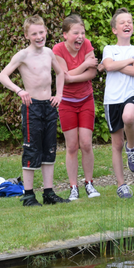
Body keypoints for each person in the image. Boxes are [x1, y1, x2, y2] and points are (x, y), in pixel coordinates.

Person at [0, 15, 69, 206]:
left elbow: (60, 72)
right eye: (34, 33)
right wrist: (19, 90)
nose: (39, 36)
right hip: (32, 107)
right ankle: (28, 195)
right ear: (27, 35)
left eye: (41, 32)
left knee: (49, 150)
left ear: (46, 31)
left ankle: (48, 193)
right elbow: (2, 75)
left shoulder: (48, 53)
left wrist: (59, 95)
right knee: (31, 149)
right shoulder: (23, 55)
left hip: (50, 106)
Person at [53, 14, 100, 200]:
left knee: (86, 143)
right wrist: (84, 65)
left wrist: (72, 76)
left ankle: (89, 184)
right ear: (65, 34)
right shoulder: (57, 49)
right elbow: (63, 77)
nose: (80, 36)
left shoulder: (87, 45)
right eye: (75, 33)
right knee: (72, 146)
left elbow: (93, 73)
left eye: (83, 32)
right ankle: (74, 187)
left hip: (86, 100)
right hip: (66, 103)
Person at [100, 8, 134, 199]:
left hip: (131, 93)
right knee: (116, 144)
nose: (127, 24)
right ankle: (121, 185)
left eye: (130, 21)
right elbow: (108, 66)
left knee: (128, 116)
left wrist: (114, 66)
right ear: (114, 29)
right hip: (112, 99)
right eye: (122, 22)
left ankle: (132, 147)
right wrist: (127, 62)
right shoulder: (109, 49)